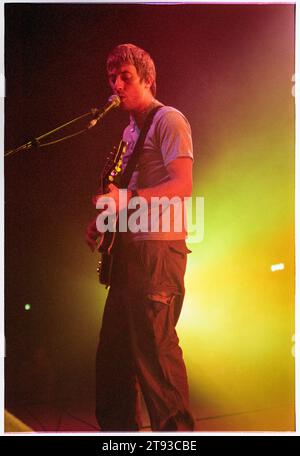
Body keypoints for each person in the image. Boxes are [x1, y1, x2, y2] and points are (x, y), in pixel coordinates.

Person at [86, 43, 195, 432]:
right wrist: (104, 221)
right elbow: (125, 195)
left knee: (156, 358)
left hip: (157, 253)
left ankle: (177, 439)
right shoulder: (129, 132)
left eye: (125, 78)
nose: (116, 84)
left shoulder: (169, 120)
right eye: (112, 78)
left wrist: (126, 198)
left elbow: (182, 185)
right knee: (113, 364)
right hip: (130, 255)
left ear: (148, 79)